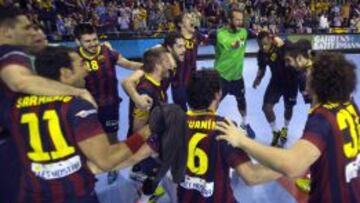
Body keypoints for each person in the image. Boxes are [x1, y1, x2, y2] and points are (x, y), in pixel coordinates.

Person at [0, 46, 150, 203]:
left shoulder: (15, 106)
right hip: (75, 194)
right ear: (65, 72)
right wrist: (146, 132)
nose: (86, 69)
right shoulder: (76, 106)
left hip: (33, 194)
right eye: (80, 64)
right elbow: (106, 160)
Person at [115, 70, 281, 203]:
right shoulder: (225, 128)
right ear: (218, 95)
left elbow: (133, 157)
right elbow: (251, 176)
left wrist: (98, 162)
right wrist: (289, 167)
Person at [216, 52, 360, 203]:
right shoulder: (350, 105)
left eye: (310, 71)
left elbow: (292, 165)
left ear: (319, 82)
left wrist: (241, 140)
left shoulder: (322, 119)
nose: (306, 74)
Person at [0, 7, 95, 202]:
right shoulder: (9, 51)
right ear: (7, 32)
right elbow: (20, 81)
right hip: (12, 149)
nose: (32, 32)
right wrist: (79, 92)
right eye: (26, 27)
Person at [73, 23, 143, 184]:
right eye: (87, 41)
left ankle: (113, 168)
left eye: (94, 39)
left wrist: (152, 66)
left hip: (110, 106)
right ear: (78, 42)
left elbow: (128, 64)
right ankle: (88, 172)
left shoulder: (107, 52)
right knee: (88, 141)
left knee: (112, 139)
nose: (93, 43)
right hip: (87, 108)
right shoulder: (74, 58)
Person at [127, 47, 176, 202]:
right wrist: (152, 150)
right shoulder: (146, 91)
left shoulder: (157, 81)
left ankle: (145, 193)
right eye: (167, 61)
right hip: (145, 143)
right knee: (160, 171)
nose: (171, 65)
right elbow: (137, 129)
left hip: (154, 139)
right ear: (157, 66)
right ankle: (143, 197)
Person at [253, 31, 301, 147]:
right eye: (261, 45)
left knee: (288, 107)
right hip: (276, 82)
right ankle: (275, 132)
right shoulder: (262, 54)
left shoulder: (283, 45)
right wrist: (258, 79)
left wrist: (284, 45)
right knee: (266, 108)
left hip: (291, 81)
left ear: (270, 40)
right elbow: (262, 67)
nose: (263, 48)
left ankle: (285, 128)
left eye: (265, 44)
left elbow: (298, 54)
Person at [214, 9, 255, 138]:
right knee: (214, 102)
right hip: (222, 77)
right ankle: (208, 124)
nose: (240, 22)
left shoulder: (243, 32)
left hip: (237, 77)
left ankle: (244, 123)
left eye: (241, 19)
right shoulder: (221, 34)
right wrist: (240, 40)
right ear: (229, 20)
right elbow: (232, 44)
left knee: (242, 101)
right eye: (237, 19)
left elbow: (259, 35)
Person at [122, 31, 186, 111]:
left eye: (184, 46)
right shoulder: (157, 61)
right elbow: (127, 82)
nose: (184, 50)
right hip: (147, 108)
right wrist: (138, 99)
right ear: (169, 48)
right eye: (179, 46)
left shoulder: (176, 60)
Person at [172, 12, 208, 110]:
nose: (192, 19)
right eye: (187, 18)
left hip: (193, 80)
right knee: (181, 112)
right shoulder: (174, 37)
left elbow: (207, 39)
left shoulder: (196, 35)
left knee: (197, 108)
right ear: (180, 24)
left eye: (191, 17)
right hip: (178, 81)